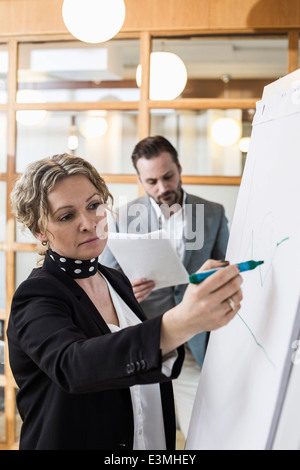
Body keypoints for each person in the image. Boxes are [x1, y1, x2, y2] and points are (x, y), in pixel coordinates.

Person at [7, 153, 242, 450]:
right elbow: (74, 365)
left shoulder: (116, 280)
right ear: (40, 230)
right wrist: (182, 321)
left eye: (94, 205)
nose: (89, 223)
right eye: (67, 216)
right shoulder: (36, 295)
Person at [101, 135, 229, 437]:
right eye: (152, 181)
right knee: (149, 435)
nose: (162, 188)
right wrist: (126, 292)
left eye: (168, 176)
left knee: (206, 432)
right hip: (145, 345)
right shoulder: (124, 218)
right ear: (140, 180)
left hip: (196, 345)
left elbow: (227, 268)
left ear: (179, 168)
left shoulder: (212, 212)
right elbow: (105, 281)